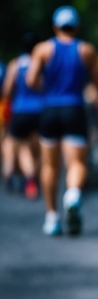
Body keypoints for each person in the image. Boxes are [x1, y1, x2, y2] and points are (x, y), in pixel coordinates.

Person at [26, 5, 98, 236]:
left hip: (49, 110)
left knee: (50, 165)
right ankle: (72, 195)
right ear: (77, 27)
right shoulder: (86, 50)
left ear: (55, 26)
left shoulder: (43, 49)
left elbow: (31, 80)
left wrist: (47, 88)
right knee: (77, 163)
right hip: (74, 110)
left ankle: (51, 218)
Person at [1, 32, 43, 199]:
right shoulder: (42, 63)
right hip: (41, 111)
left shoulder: (15, 65)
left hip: (20, 111)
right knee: (40, 149)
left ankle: (30, 179)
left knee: (23, 147)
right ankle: (35, 179)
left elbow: (7, 91)